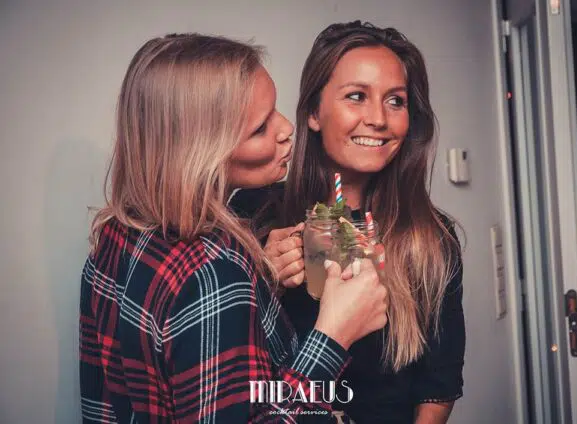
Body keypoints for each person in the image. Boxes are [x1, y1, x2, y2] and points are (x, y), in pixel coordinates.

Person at [79, 33, 389, 423]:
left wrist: (260, 279)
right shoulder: (214, 273)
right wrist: (333, 335)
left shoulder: (112, 237)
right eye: (260, 129)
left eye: (275, 109)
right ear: (200, 151)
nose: (285, 128)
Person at [229, 21, 465, 424]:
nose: (379, 119)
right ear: (314, 113)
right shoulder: (255, 211)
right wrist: (261, 276)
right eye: (357, 96)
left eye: (396, 101)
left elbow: (438, 385)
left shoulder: (432, 236)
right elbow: (220, 367)